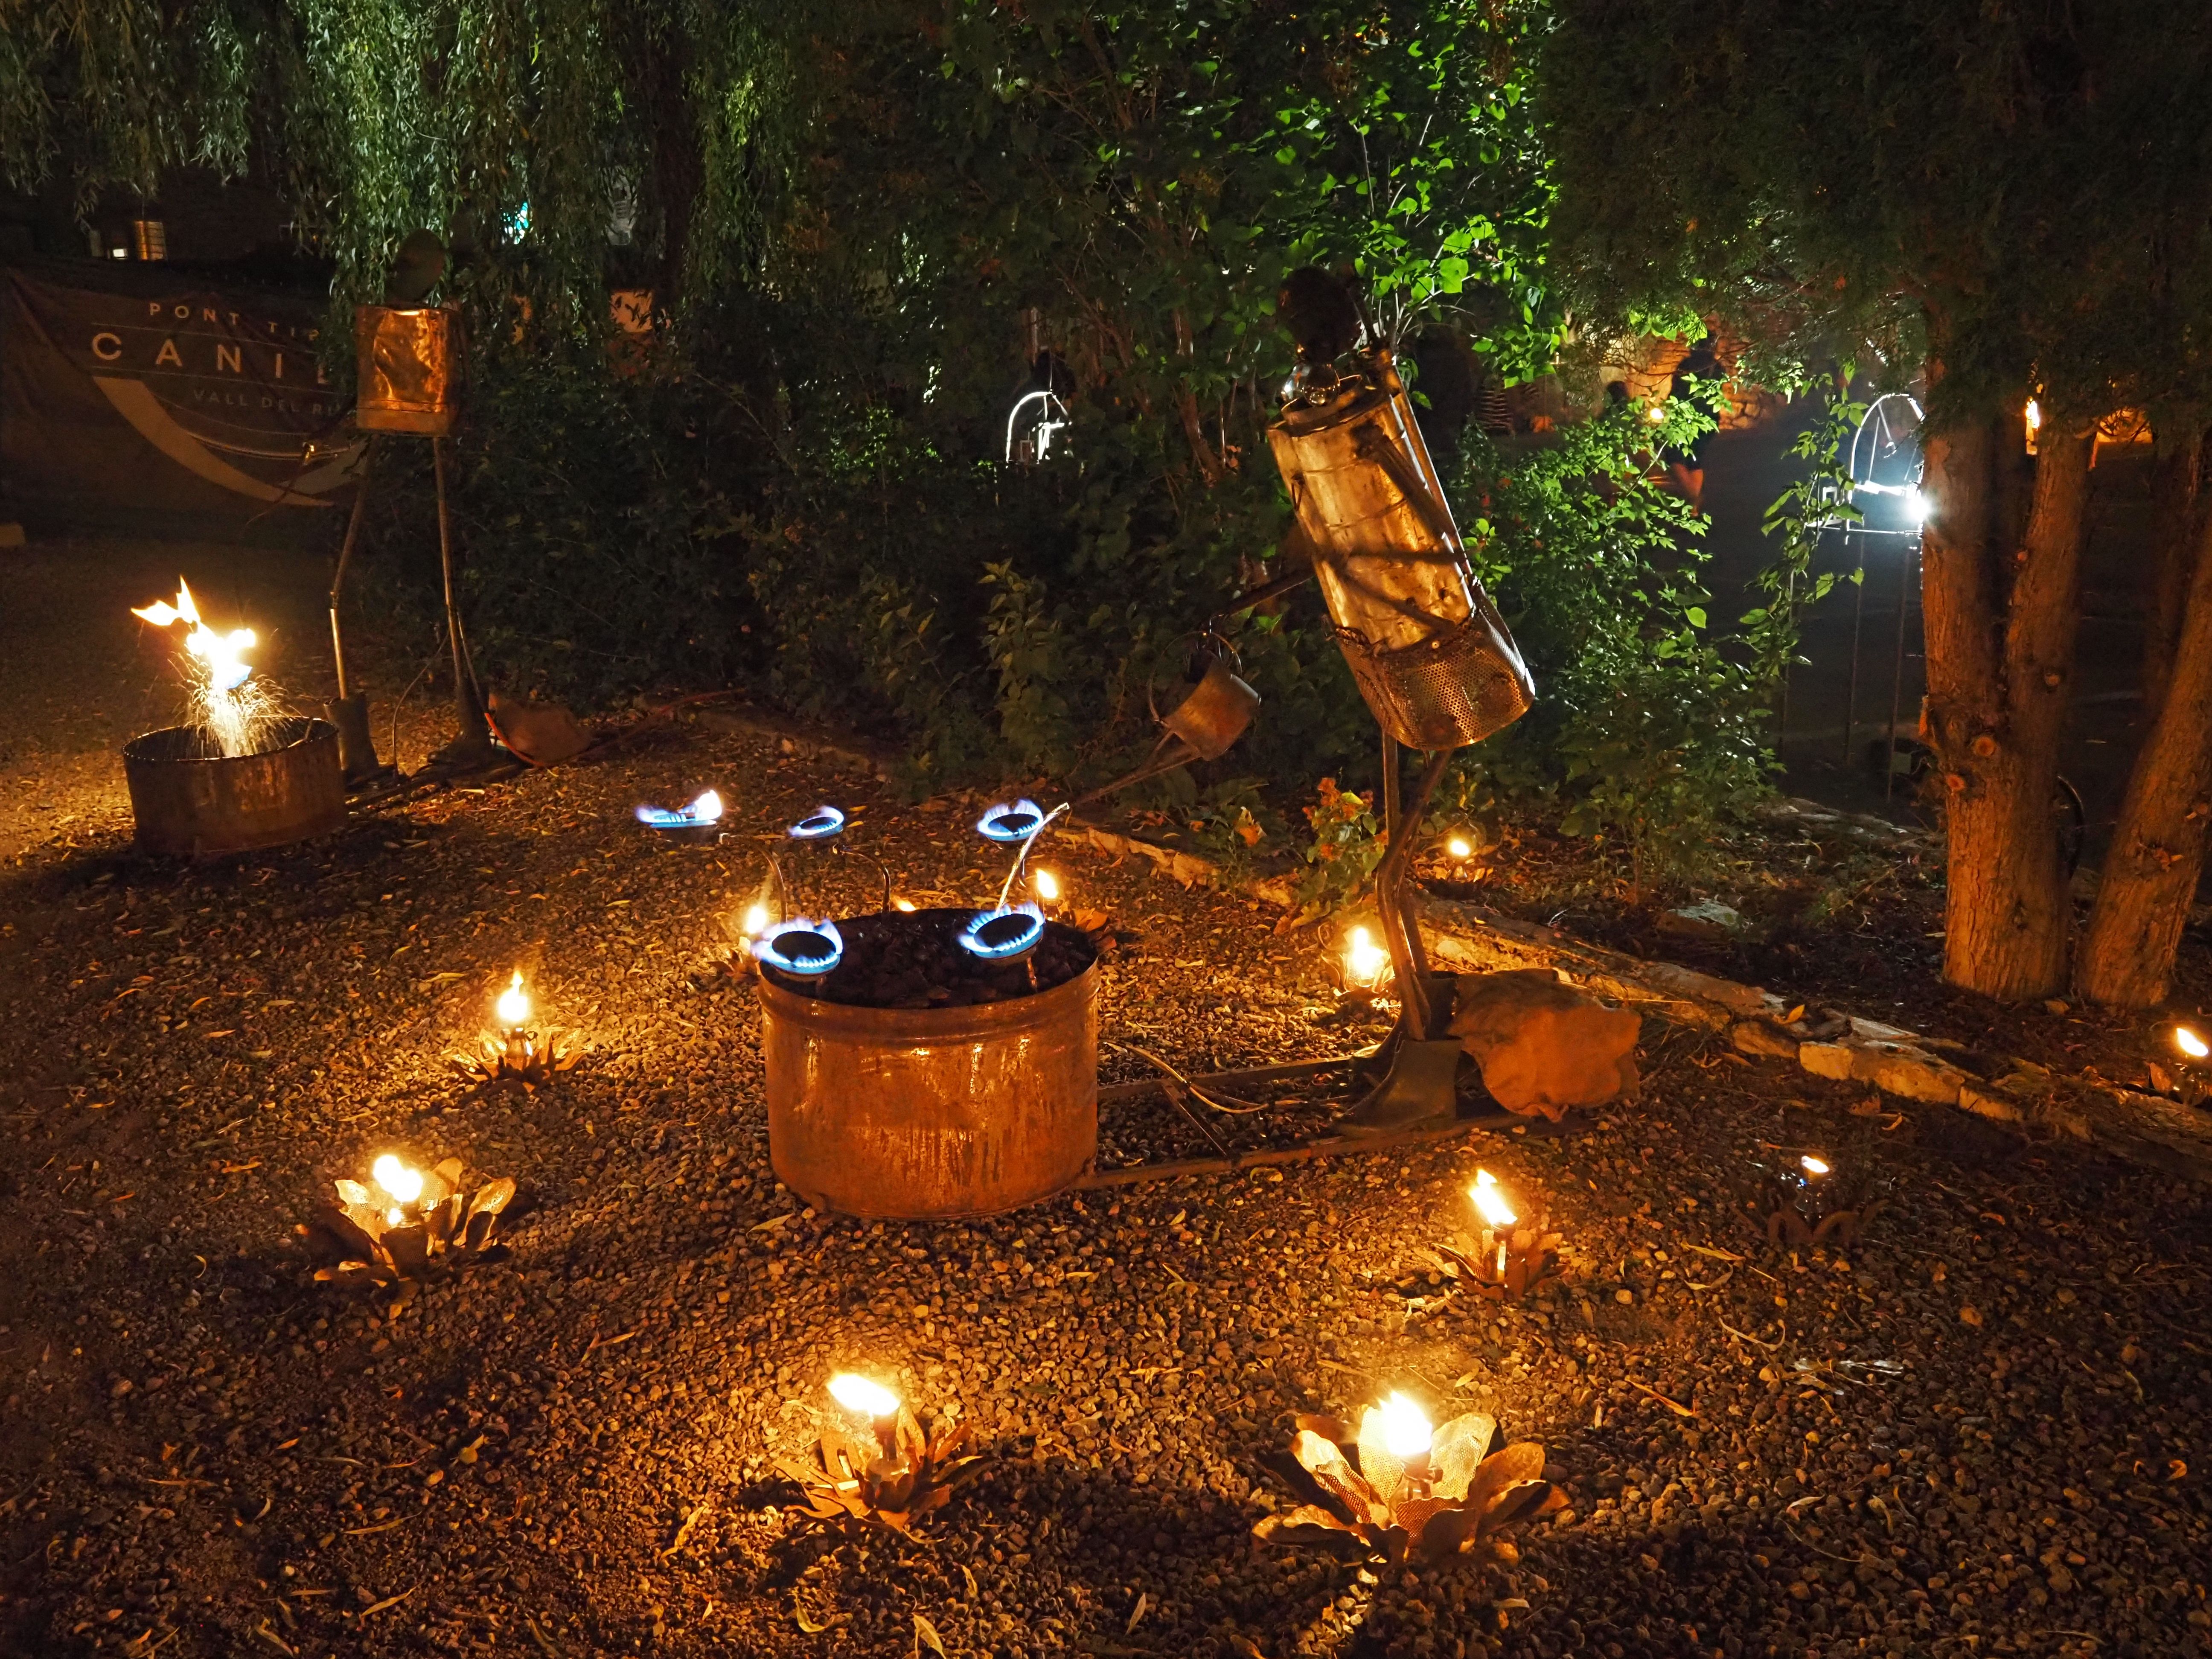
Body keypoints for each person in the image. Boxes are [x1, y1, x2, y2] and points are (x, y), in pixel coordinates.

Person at [1662, 338, 1723, 514]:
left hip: (1686, 419)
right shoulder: (1718, 368)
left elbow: (1677, 392)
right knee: (1695, 460)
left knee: (1674, 456)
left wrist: (1669, 411)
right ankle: (1693, 509)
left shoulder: (1687, 365)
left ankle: (1693, 497)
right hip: (1709, 420)